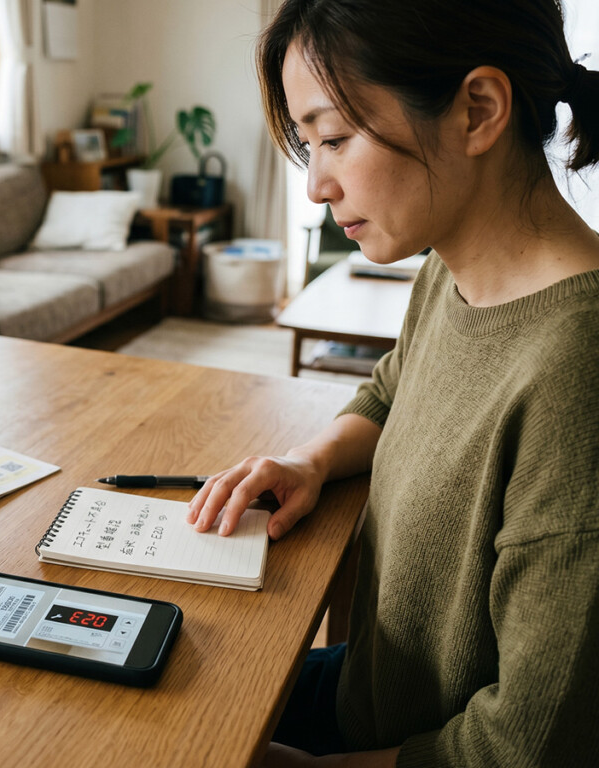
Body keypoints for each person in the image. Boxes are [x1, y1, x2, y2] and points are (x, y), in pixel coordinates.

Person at [185, 0, 599, 766]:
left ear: (478, 110)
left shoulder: (577, 376)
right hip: (371, 688)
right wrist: (313, 460)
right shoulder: (453, 264)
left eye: (335, 139)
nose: (315, 186)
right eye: (309, 146)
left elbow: (525, 747)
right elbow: (390, 389)